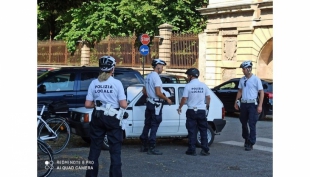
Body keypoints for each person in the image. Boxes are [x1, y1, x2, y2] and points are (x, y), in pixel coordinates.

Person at [85, 56, 127, 177]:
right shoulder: (117, 83)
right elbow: (123, 105)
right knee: (115, 151)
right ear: (112, 69)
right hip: (112, 118)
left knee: (94, 149)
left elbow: (87, 104)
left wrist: (98, 104)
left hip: (97, 116)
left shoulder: (94, 83)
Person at [139, 58, 172, 155]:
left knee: (147, 124)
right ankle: (151, 147)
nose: (162, 68)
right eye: (162, 66)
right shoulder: (156, 77)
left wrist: (150, 96)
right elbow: (158, 93)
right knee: (154, 125)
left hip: (149, 103)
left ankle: (144, 145)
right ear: (158, 66)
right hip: (156, 104)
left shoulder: (148, 76)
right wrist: (167, 99)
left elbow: (144, 91)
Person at [177, 68, 211, 156]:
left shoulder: (188, 86)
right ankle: (205, 149)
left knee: (192, 130)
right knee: (203, 130)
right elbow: (208, 97)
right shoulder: (203, 85)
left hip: (191, 110)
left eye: (188, 75)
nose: (188, 77)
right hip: (201, 110)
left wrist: (180, 107)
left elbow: (184, 98)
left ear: (191, 76)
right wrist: (207, 105)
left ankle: (192, 150)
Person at [234, 60, 264, 151]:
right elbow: (240, 91)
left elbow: (261, 92)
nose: (242, 70)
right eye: (242, 69)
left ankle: (251, 142)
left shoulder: (256, 79)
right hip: (244, 104)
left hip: (252, 104)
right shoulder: (242, 80)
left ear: (248, 69)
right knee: (243, 122)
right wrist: (236, 101)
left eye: (243, 69)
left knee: (252, 124)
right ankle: (246, 138)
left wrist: (260, 105)